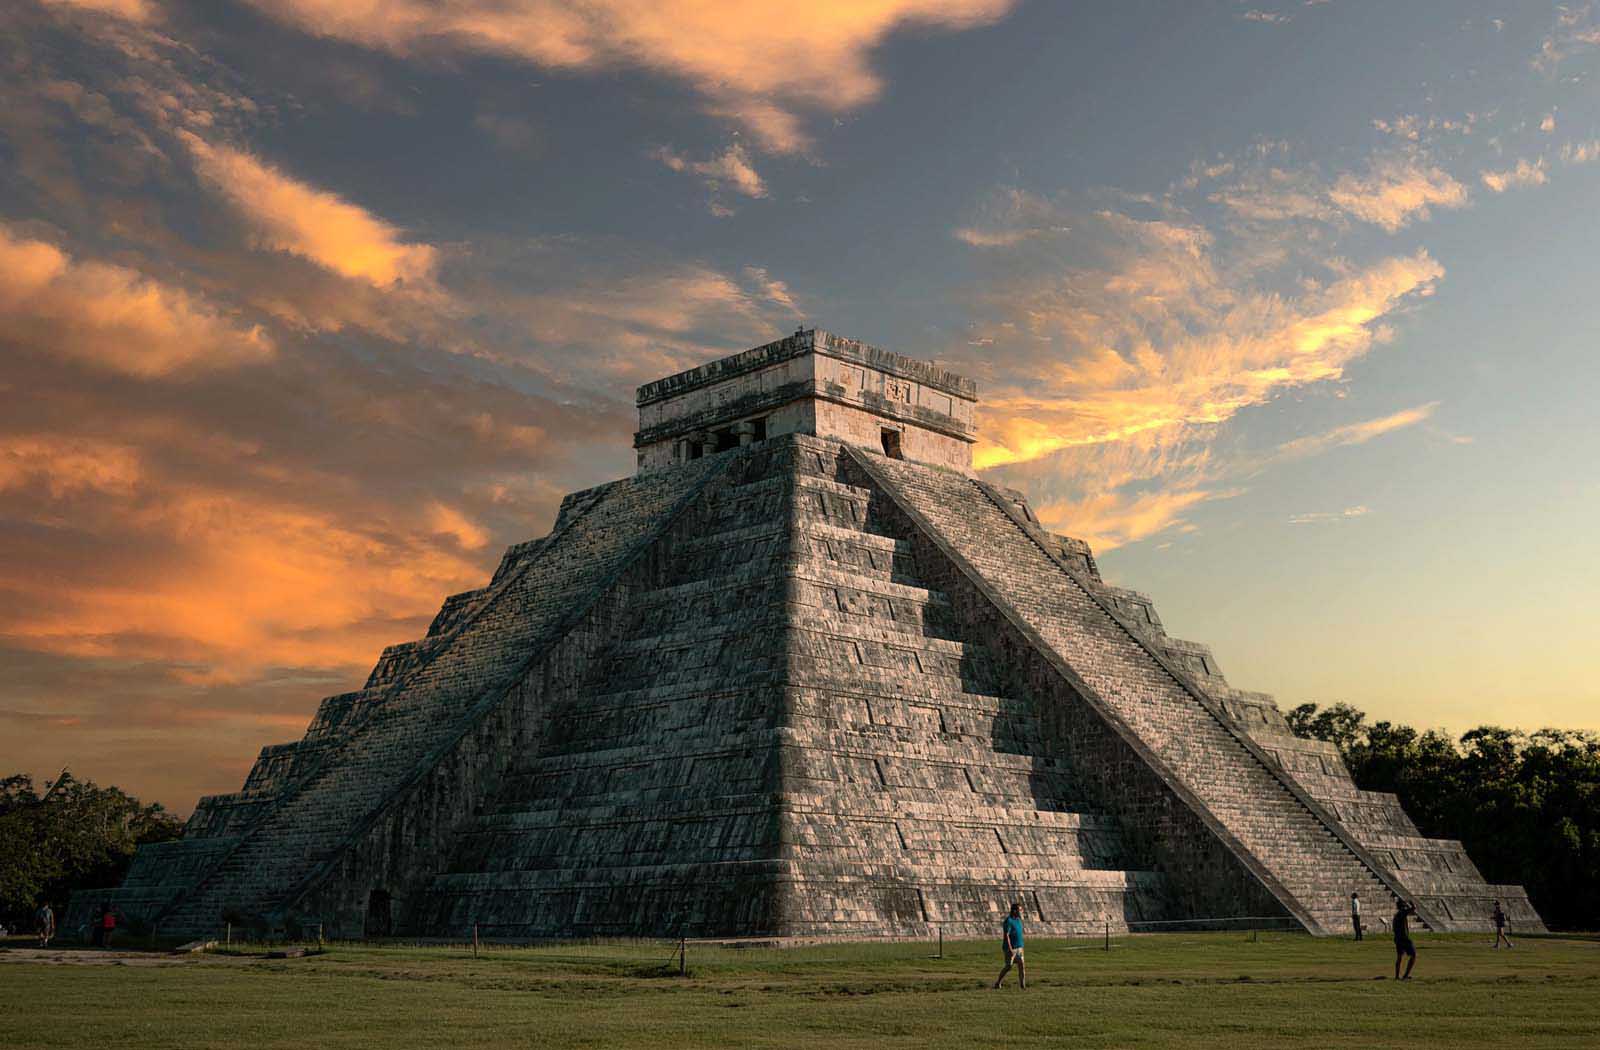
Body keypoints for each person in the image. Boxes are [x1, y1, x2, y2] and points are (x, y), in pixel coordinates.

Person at [993, 903, 1026, 990]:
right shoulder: (1008, 921)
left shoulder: (1018, 920)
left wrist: (1021, 946)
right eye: (1020, 910)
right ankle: (998, 982)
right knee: (1008, 966)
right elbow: (1006, 935)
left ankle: (1023, 986)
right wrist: (1010, 948)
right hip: (1011, 948)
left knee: (1022, 966)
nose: (1021, 912)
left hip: (1019, 947)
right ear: (1015, 911)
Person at [1392, 900, 1418, 980]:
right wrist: (1411, 902)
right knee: (1413, 955)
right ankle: (1405, 975)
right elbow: (1414, 908)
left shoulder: (1396, 916)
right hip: (1404, 938)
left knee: (1400, 957)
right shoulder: (1402, 912)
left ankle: (1397, 976)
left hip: (1397, 938)